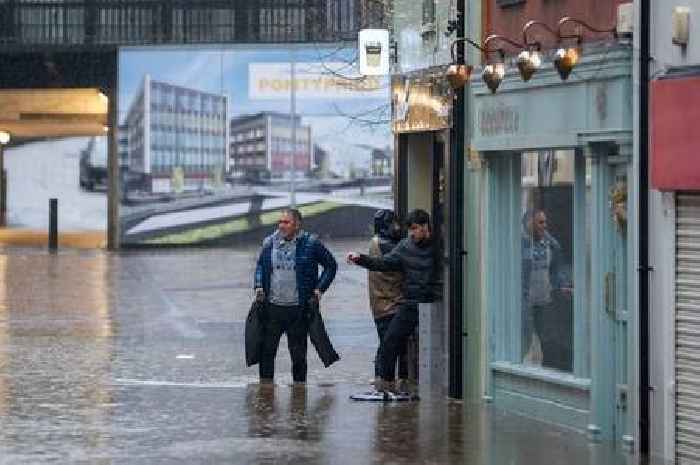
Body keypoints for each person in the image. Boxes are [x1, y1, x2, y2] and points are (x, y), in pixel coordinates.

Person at [347, 209, 440, 395]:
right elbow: (383, 263)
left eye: (415, 229)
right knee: (390, 342)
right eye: (410, 230)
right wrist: (360, 259)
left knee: (431, 347)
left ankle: (426, 388)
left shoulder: (439, 246)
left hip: (433, 304)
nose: (412, 234)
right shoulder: (405, 246)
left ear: (425, 227)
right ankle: (386, 386)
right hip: (411, 303)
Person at [254, 208, 337, 384]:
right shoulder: (269, 243)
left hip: (298, 310)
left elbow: (331, 266)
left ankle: (299, 395)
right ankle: (266, 393)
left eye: (286, 222)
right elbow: (261, 266)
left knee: (298, 356)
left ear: (297, 224)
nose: (281, 226)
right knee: (266, 354)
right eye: (280, 222)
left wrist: (319, 290)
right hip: (272, 308)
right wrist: (259, 285)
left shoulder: (311, 243)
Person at [521, 209, 572, 370]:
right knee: (525, 339)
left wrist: (563, 285)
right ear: (529, 224)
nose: (545, 226)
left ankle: (542, 369)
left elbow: (556, 270)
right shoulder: (519, 244)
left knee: (545, 338)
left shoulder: (551, 244)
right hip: (524, 302)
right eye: (540, 222)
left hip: (544, 301)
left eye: (545, 222)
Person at [367, 209, 409, 390]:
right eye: (394, 223)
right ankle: (385, 381)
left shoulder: (376, 242)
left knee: (387, 343)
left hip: (381, 304)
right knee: (389, 345)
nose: (398, 227)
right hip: (389, 304)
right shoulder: (385, 244)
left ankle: (383, 381)